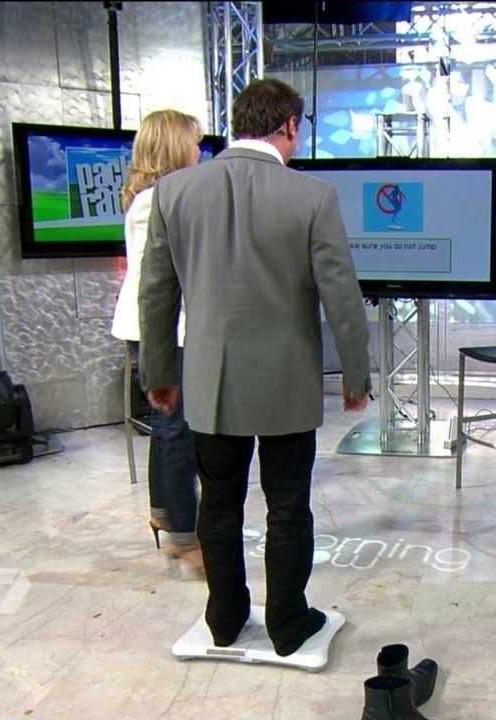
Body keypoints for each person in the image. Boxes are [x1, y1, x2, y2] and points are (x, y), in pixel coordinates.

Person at [139, 78, 371, 656]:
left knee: (218, 503)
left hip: (210, 383)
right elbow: (341, 294)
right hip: (286, 383)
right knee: (287, 505)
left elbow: (156, 293)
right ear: (289, 125)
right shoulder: (313, 196)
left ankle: (223, 618)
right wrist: (356, 374)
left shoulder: (174, 192)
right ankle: (288, 625)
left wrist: (159, 373)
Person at [110, 109, 205, 575]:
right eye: (194, 143)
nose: (200, 152)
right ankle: (186, 537)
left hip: (159, 327)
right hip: (163, 328)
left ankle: (163, 512)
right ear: (174, 147)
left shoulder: (152, 198)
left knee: (166, 424)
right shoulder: (157, 202)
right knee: (176, 428)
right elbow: (164, 280)